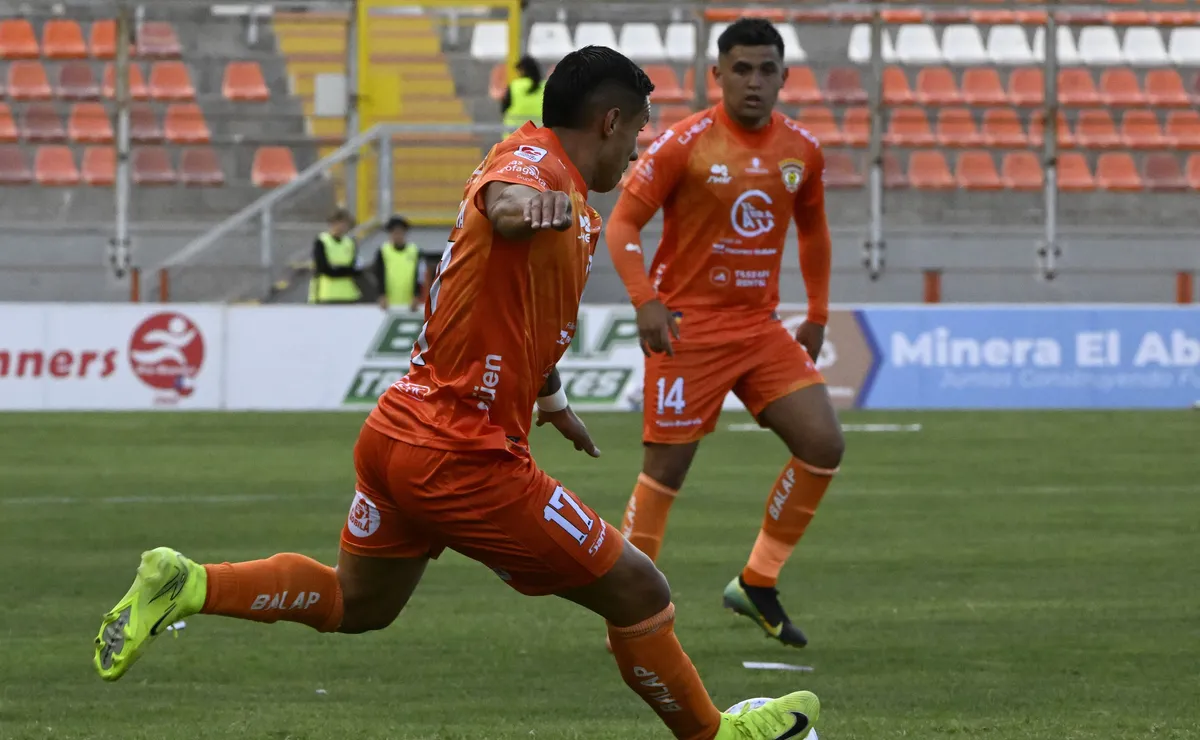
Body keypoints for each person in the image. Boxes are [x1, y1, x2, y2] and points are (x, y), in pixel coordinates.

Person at [92, 46, 819, 740]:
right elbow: (505, 203)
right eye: (636, 131)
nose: (637, 150)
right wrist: (530, 209)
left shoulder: (568, 193)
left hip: (400, 434)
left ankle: (186, 583)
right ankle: (712, 733)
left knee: (359, 604)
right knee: (640, 591)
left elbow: (517, 308)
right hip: (462, 456)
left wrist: (551, 397)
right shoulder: (537, 166)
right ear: (610, 122)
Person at [605, 18, 844, 648]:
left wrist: (817, 312)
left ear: (785, 78)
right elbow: (622, 225)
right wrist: (646, 301)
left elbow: (814, 232)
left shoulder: (802, 152)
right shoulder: (684, 144)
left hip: (758, 328)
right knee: (666, 471)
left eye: (767, 70)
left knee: (822, 443)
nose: (754, 82)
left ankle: (757, 582)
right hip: (687, 328)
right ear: (717, 75)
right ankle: (628, 611)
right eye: (741, 69)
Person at [308, 208, 362, 304]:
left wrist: (337, 268)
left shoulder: (350, 243)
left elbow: (355, 269)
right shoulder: (322, 241)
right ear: (333, 223)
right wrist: (345, 270)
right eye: (341, 223)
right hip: (326, 295)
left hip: (348, 294)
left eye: (346, 224)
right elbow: (324, 268)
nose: (344, 226)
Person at [372, 215, 422, 311]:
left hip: (410, 303)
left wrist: (417, 295)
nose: (397, 235)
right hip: (388, 303)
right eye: (394, 232)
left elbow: (419, 275)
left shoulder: (414, 251)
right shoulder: (383, 251)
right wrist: (381, 295)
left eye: (400, 232)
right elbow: (379, 274)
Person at [501, 55, 545, 132]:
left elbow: (503, 108)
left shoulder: (515, 86)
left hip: (514, 135)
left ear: (522, 70)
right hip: (539, 137)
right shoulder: (545, 86)